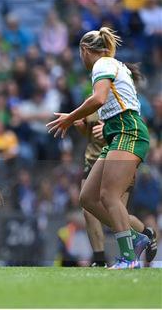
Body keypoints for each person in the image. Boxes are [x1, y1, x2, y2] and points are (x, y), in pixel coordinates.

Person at [47, 27, 151, 269]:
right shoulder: (113, 63)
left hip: (129, 131)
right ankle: (136, 238)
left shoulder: (101, 64)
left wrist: (70, 118)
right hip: (118, 133)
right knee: (88, 198)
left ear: (84, 50)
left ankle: (129, 257)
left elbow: (98, 99)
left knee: (108, 196)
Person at [74, 113, 157, 267]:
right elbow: (88, 131)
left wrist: (107, 129)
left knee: (116, 210)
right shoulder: (91, 103)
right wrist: (81, 126)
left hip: (120, 158)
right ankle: (99, 260)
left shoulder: (117, 98)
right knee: (88, 207)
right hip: (93, 158)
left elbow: (134, 126)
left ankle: (142, 237)